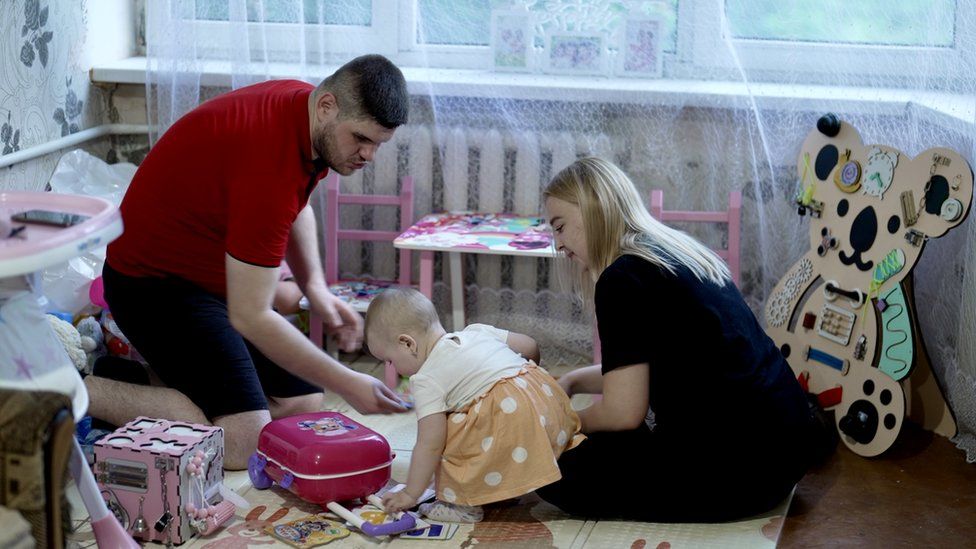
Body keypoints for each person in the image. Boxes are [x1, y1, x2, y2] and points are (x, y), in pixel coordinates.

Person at [86, 54, 411, 470]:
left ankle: (143, 381)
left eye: (378, 145)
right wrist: (348, 382)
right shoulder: (268, 161)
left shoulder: (307, 114)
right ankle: (81, 390)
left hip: (210, 280)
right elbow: (251, 316)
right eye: (361, 139)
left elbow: (298, 207)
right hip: (152, 288)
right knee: (243, 443)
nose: (368, 155)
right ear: (328, 106)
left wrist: (315, 287)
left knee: (303, 402)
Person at [536, 157, 831, 522]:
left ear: (593, 208)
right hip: (785, 447)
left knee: (547, 467)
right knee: (596, 446)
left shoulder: (622, 279)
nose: (558, 244)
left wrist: (562, 425)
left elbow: (623, 413)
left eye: (560, 227)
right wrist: (573, 380)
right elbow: (648, 361)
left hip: (743, 471)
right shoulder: (674, 251)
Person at [366, 288, 584, 523]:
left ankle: (463, 506)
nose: (391, 368)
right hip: (550, 410)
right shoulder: (477, 331)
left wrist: (411, 493)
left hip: (517, 426)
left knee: (451, 430)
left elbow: (429, 444)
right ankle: (509, 483)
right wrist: (519, 382)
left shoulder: (427, 379)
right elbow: (530, 346)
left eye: (389, 360)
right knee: (480, 412)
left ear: (407, 343)